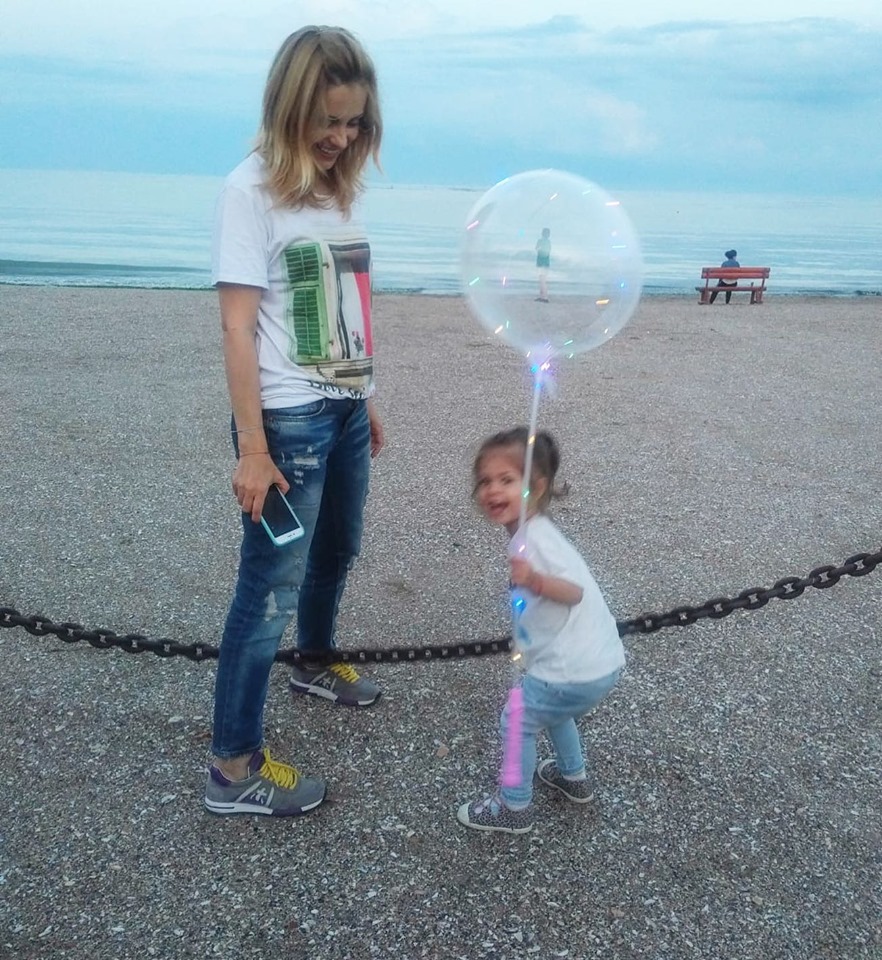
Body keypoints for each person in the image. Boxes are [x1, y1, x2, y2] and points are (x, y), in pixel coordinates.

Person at [205, 25, 385, 818]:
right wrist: (253, 448)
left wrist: (363, 395)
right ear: (288, 108)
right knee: (269, 586)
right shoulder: (249, 191)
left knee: (338, 549)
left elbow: (345, 303)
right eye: (327, 121)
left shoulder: (338, 190)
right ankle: (232, 768)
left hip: (344, 411)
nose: (341, 137)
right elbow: (237, 326)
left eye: (353, 122)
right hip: (289, 423)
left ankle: (313, 661)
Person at [457, 428, 625, 834]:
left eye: (507, 480)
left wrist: (533, 580)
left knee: (517, 721)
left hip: (568, 669)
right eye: (485, 481)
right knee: (553, 713)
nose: (493, 490)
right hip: (596, 665)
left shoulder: (537, 541)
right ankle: (573, 776)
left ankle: (514, 806)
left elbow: (573, 591)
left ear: (538, 487)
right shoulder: (529, 533)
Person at [535, 227, 551, 302]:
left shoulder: (540, 241)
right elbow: (548, 251)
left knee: (542, 280)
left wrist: (540, 249)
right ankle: (542, 296)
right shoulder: (548, 242)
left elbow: (537, 248)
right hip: (546, 263)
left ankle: (545, 297)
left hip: (541, 263)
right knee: (543, 280)